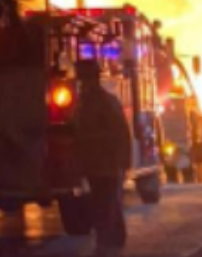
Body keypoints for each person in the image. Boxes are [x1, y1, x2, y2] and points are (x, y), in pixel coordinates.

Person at [73, 58, 132, 255]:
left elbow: (120, 132)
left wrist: (123, 160)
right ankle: (112, 239)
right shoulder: (86, 102)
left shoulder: (104, 102)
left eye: (84, 79)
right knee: (105, 201)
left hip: (106, 162)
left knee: (105, 202)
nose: (83, 84)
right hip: (96, 162)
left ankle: (108, 242)